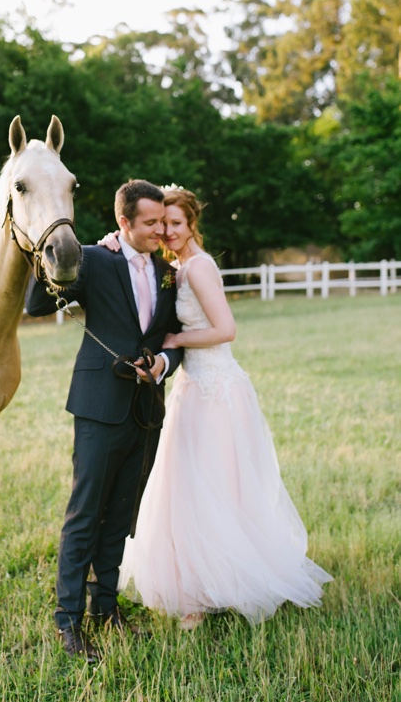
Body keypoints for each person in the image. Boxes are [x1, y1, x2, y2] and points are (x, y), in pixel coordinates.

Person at [102, 187, 332, 629]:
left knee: (216, 484)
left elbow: (226, 329)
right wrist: (113, 240)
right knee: (188, 485)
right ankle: (194, 587)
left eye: (176, 223)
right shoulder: (175, 268)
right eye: (161, 223)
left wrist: (176, 340)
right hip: (193, 387)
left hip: (218, 389)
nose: (167, 231)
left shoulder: (200, 268)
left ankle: (221, 583)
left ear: (191, 225)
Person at [25, 179, 183, 662]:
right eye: (151, 222)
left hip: (146, 409)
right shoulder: (96, 259)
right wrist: (69, 252)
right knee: (85, 515)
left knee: (121, 515)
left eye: (163, 221)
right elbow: (35, 304)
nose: (161, 230)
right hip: (97, 406)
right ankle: (68, 622)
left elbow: (170, 335)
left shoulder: (167, 273)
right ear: (124, 222)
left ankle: (106, 608)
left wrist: (163, 364)